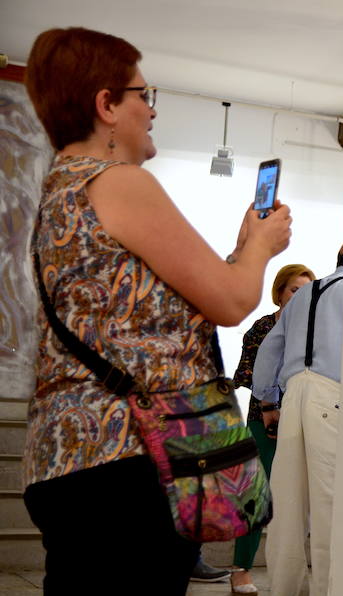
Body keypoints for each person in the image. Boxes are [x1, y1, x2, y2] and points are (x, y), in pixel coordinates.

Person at [22, 27, 291, 596]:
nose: (151, 111)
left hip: (67, 458)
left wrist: (243, 248)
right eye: (144, 96)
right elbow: (233, 302)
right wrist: (263, 250)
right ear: (106, 105)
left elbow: (148, 312)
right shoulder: (120, 183)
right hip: (130, 459)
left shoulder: (59, 189)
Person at [253, 242, 343, 596]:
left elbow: (270, 348)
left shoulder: (307, 292)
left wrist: (267, 401)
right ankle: (328, 588)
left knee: (287, 502)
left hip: (293, 394)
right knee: (329, 503)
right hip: (334, 395)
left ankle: (284, 588)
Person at [229, 264, 316, 595]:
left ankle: (298, 569)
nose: (300, 297)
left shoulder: (312, 329)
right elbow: (249, 373)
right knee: (255, 495)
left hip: (304, 416)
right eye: (295, 290)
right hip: (262, 421)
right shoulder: (262, 327)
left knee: (302, 498)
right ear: (280, 291)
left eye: (307, 291)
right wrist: (272, 404)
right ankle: (240, 570)